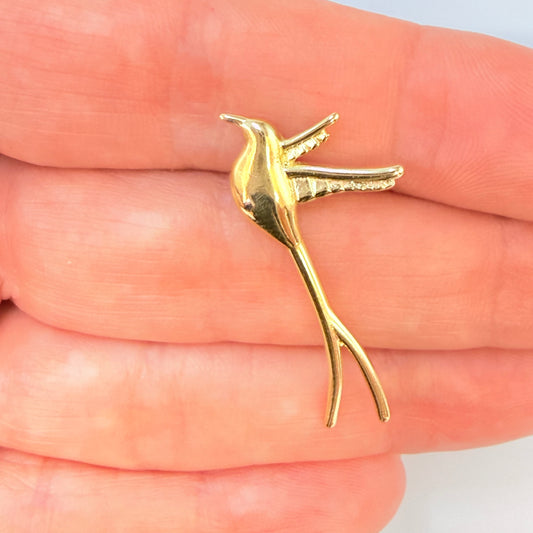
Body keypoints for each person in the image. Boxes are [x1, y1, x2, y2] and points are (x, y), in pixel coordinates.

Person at [0, 0, 531, 530]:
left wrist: (342, 153)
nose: (249, 132)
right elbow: (285, 151)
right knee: (325, 313)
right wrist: (320, 136)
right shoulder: (264, 160)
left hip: (278, 215)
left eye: (253, 130)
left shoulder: (268, 162)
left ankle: (348, 367)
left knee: (326, 311)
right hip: (271, 217)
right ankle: (348, 365)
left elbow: (288, 154)